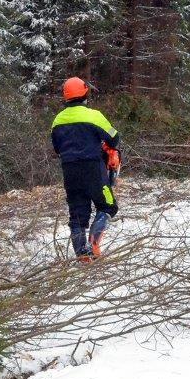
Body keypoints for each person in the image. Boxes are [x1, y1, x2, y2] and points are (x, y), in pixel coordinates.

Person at [51, 77, 120, 262]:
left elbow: (57, 148)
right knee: (107, 206)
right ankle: (94, 245)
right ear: (85, 94)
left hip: (69, 171)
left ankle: (82, 254)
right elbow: (114, 138)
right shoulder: (93, 115)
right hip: (93, 169)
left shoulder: (57, 120)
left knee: (77, 214)